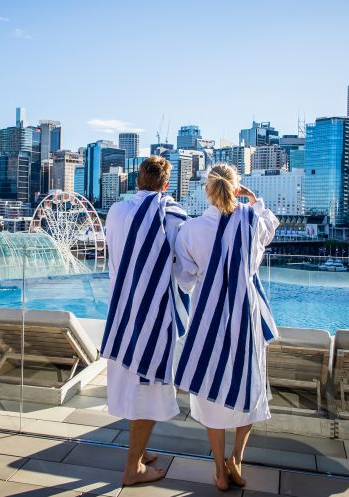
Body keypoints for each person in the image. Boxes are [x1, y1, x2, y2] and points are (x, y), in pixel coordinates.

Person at [173, 164, 279, 490]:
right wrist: (254, 200)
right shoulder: (251, 221)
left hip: (207, 321)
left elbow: (185, 279)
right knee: (250, 387)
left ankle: (219, 469)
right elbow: (271, 227)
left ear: (207, 189)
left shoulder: (191, 230)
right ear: (237, 188)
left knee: (209, 393)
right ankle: (237, 458)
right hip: (245, 319)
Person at [101, 155, 188, 485]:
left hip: (121, 313)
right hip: (154, 317)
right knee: (147, 389)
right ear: (166, 185)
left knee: (131, 384)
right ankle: (133, 467)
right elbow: (183, 268)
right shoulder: (173, 216)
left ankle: (140, 450)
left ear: (137, 180)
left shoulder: (116, 212)